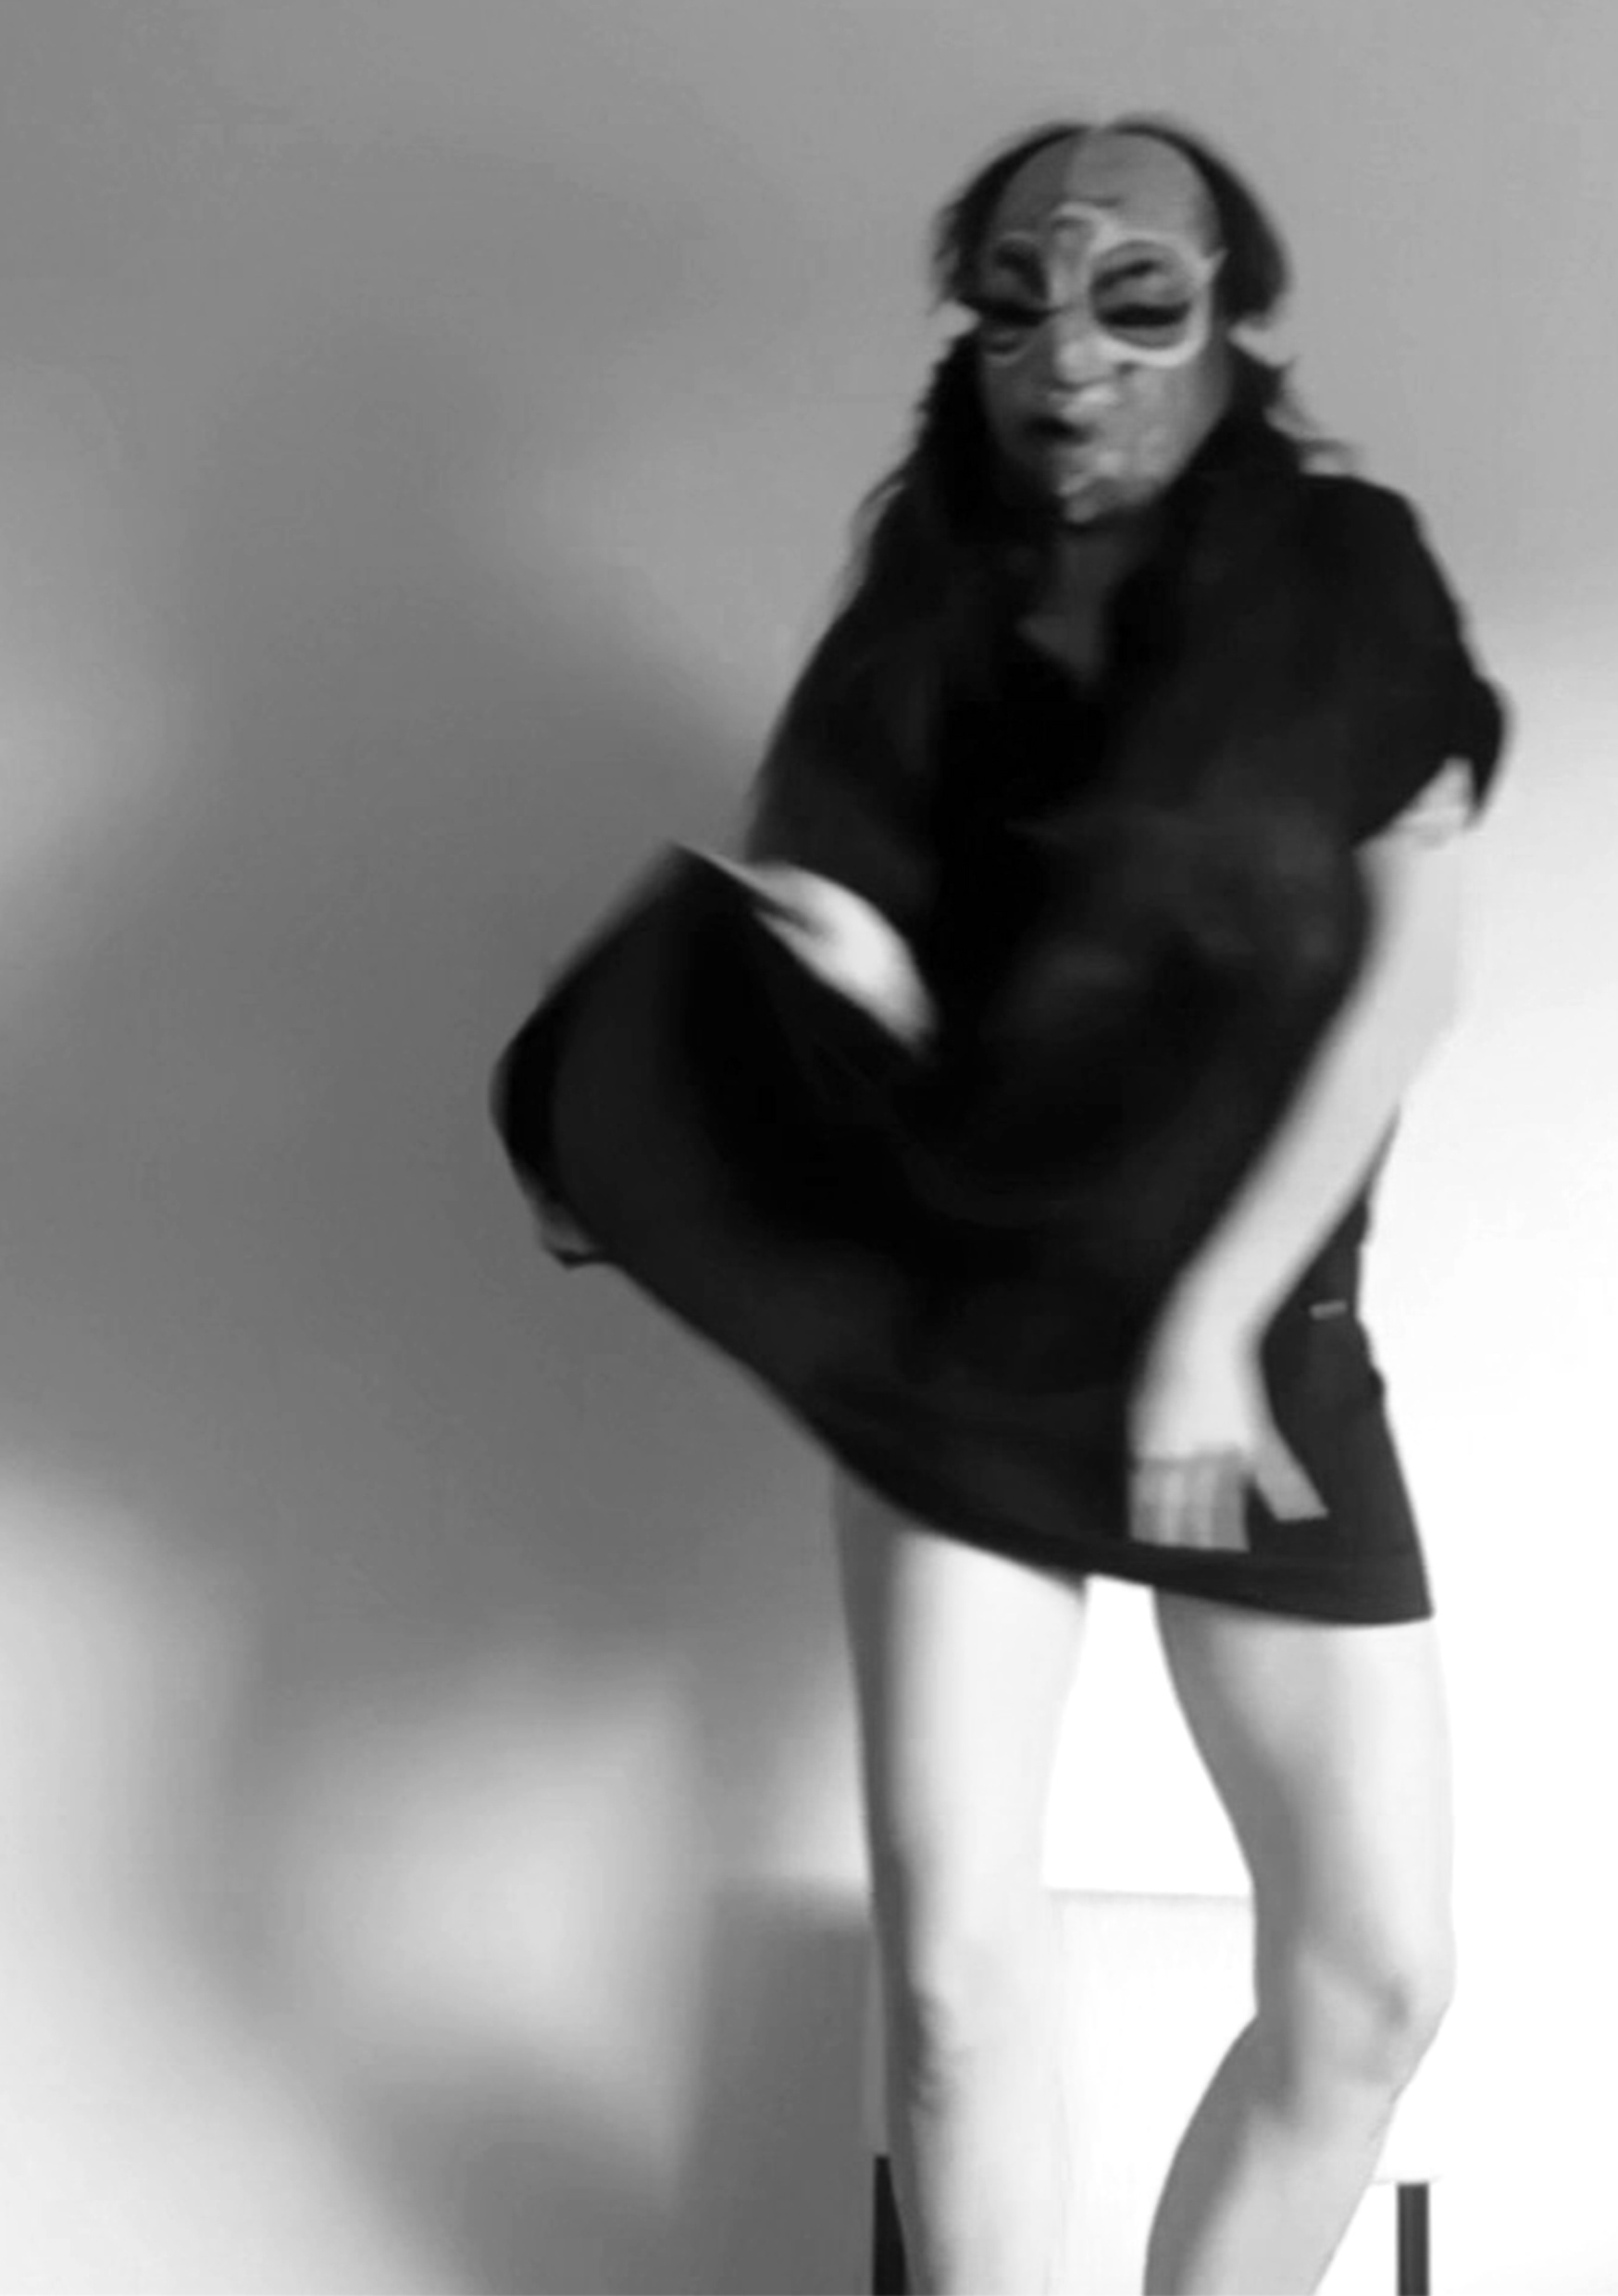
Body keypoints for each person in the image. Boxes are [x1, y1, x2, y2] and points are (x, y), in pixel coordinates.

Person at [492, 113, 1507, 2295]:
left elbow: (1406, 978)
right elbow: (865, 930)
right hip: (975, 1322)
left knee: (1374, 1983)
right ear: (970, 337)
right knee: (953, 1990)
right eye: (1019, 305)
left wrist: (1212, 1321)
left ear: (1228, 319)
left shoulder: (1348, 576)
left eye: (1136, 300)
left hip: (1253, 1339)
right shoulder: (924, 619)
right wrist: (801, 991)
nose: (1073, 356)